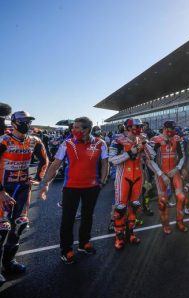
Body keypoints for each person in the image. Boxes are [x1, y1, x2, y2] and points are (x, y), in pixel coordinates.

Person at [40, 116, 107, 264]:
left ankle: (84, 243)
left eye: (77, 127)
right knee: (67, 219)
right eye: (73, 127)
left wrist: (102, 181)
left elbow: (104, 163)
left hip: (92, 187)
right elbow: (55, 164)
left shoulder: (100, 143)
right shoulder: (67, 143)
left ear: (87, 129)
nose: (73, 130)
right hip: (71, 187)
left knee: (87, 216)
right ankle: (66, 250)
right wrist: (45, 183)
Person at [1, 111, 48, 283]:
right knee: (2, 228)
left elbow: (44, 160)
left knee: (20, 225)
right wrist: (1, 191)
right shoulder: (4, 141)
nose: (26, 124)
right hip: (3, 189)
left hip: (22, 188)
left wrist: (38, 179)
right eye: (22, 121)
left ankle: (9, 263)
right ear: (13, 123)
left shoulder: (35, 141)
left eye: (28, 121)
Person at [108, 118, 151, 250]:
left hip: (138, 176)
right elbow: (112, 160)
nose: (139, 129)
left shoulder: (142, 140)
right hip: (123, 177)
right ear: (128, 127)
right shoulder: (117, 140)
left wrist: (146, 144)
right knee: (120, 209)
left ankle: (130, 233)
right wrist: (129, 153)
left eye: (140, 126)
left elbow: (151, 157)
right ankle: (119, 236)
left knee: (134, 206)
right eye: (136, 126)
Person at [147, 120, 188, 234]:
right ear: (165, 128)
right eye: (170, 129)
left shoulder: (177, 139)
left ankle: (180, 222)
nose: (173, 131)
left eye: (174, 129)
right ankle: (165, 225)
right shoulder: (155, 140)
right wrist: (161, 174)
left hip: (174, 171)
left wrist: (177, 168)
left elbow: (182, 156)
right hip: (161, 173)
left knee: (181, 197)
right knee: (163, 201)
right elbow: (150, 160)